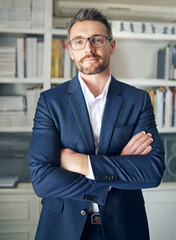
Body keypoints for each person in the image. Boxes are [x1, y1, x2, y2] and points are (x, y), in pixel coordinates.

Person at [28, 8, 165, 240]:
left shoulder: (138, 100)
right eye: (79, 42)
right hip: (63, 228)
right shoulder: (51, 102)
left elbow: (152, 171)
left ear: (111, 46)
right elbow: (42, 180)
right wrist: (116, 171)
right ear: (70, 50)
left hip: (124, 228)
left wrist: (80, 162)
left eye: (97, 40)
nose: (89, 49)